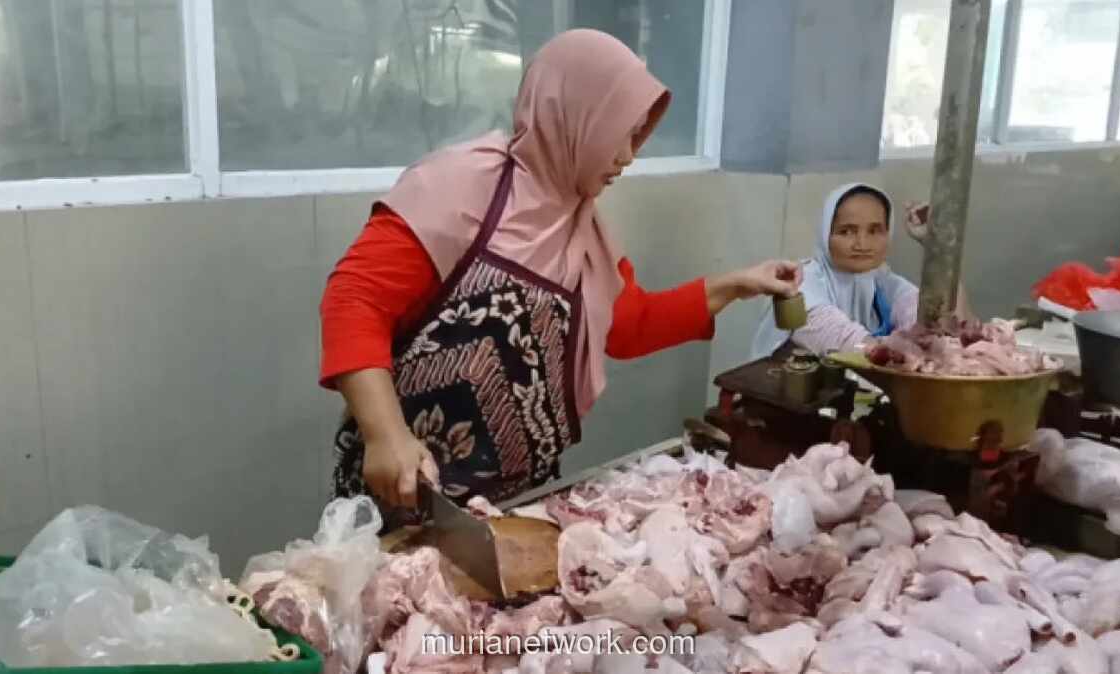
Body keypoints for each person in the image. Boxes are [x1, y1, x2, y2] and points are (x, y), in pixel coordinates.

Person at [318, 29, 802, 522]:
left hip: (513, 505)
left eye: (637, 136)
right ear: (575, 117)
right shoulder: (465, 187)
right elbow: (354, 299)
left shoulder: (583, 229)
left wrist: (738, 284)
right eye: (619, 133)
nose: (628, 156)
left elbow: (628, 324)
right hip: (407, 489)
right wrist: (386, 435)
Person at [750, 182, 972, 360]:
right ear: (825, 234)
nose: (862, 244)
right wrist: (913, 353)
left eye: (875, 231)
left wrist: (935, 245)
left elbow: (944, 323)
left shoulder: (882, 281)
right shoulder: (800, 281)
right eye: (847, 231)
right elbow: (848, 341)